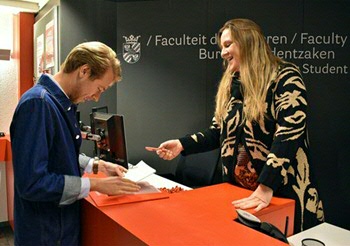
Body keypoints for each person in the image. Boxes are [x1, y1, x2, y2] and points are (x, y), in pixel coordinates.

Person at [147, 19, 324, 233]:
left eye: (228, 44)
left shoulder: (285, 76)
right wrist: (182, 144)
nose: (223, 53)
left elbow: (289, 133)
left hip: (279, 193)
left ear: (248, 42)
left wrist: (266, 186)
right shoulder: (232, 83)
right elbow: (217, 132)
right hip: (240, 195)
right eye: (222, 47)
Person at [10, 41, 141, 245]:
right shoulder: (39, 104)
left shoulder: (61, 103)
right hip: (46, 232)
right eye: (99, 88)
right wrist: (95, 184)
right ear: (84, 71)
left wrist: (95, 165)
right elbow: (32, 183)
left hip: (60, 227)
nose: (97, 97)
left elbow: (58, 151)